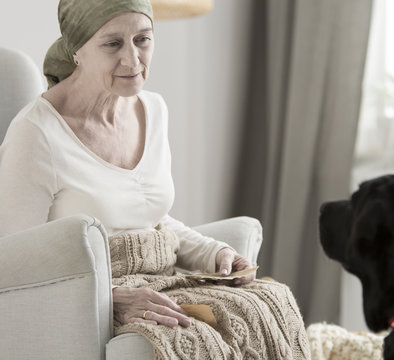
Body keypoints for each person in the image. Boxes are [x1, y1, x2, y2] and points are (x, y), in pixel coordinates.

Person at [0, 0, 310, 358]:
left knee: (271, 299)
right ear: (77, 50)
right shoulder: (36, 133)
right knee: (184, 339)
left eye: (143, 40)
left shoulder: (154, 110)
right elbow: (12, 261)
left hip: (163, 279)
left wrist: (216, 253)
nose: (132, 60)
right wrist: (105, 298)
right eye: (113, 44)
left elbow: (151, 220)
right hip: (87, 299)